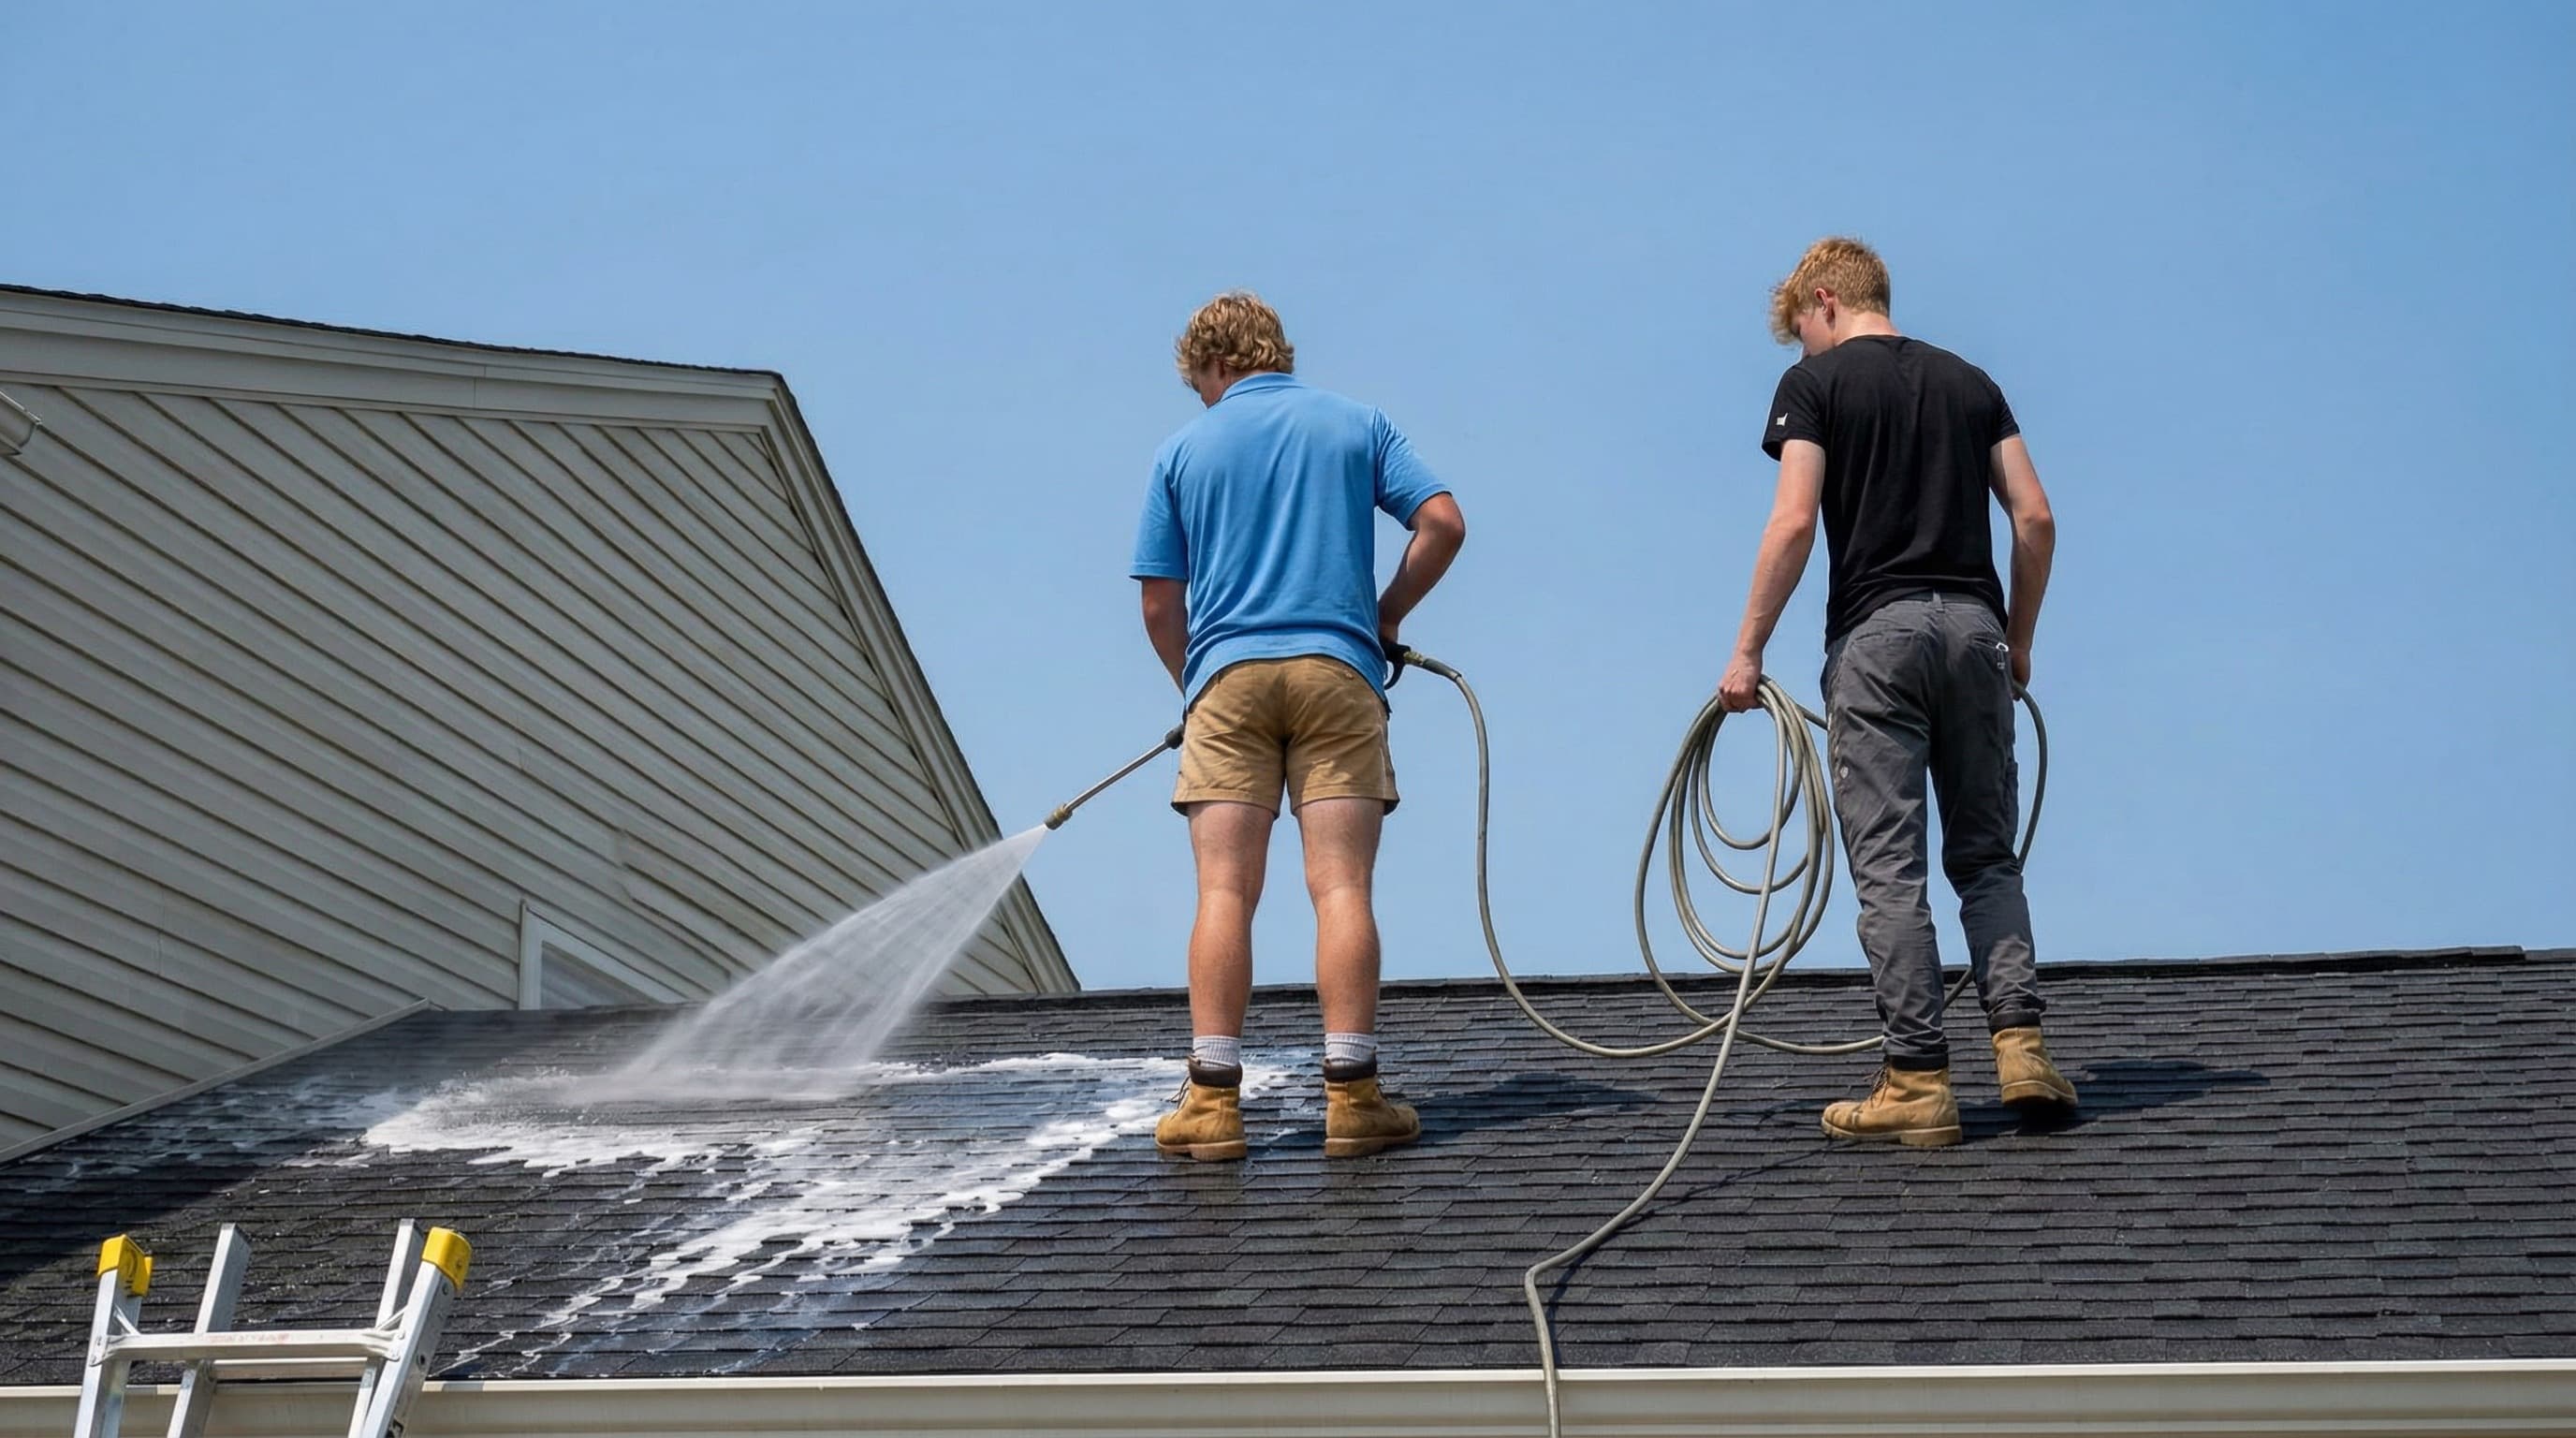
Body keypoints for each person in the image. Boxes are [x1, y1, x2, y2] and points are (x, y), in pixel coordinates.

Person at [1719, 237, 2076, 1147]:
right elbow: (2032, 516)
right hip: (1974, 635)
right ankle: (2021, 1051)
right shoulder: (1971, 382)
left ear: (1825, 299)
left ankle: (1916, 1078)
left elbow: (1794, 519)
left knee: (1890, 868)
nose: (1800, 351)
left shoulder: (1818, 387)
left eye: (1800, 330)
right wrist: (2019, 642)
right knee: (1987, 857)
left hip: (1878, 640)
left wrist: (1746, 652)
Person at [1132, 291, 1467, 1162]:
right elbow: (1443, 523)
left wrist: (1196, 686)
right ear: (1275, 352)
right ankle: (1353, 1099)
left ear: (1208, 366)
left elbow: (1160, 602)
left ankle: (1211, 1106)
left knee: (1224, 892)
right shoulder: (1357, 424)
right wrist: (1384, 616)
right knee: (1342, 888)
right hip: (1338, 676)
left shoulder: (1182, 449)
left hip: (1228, 684)